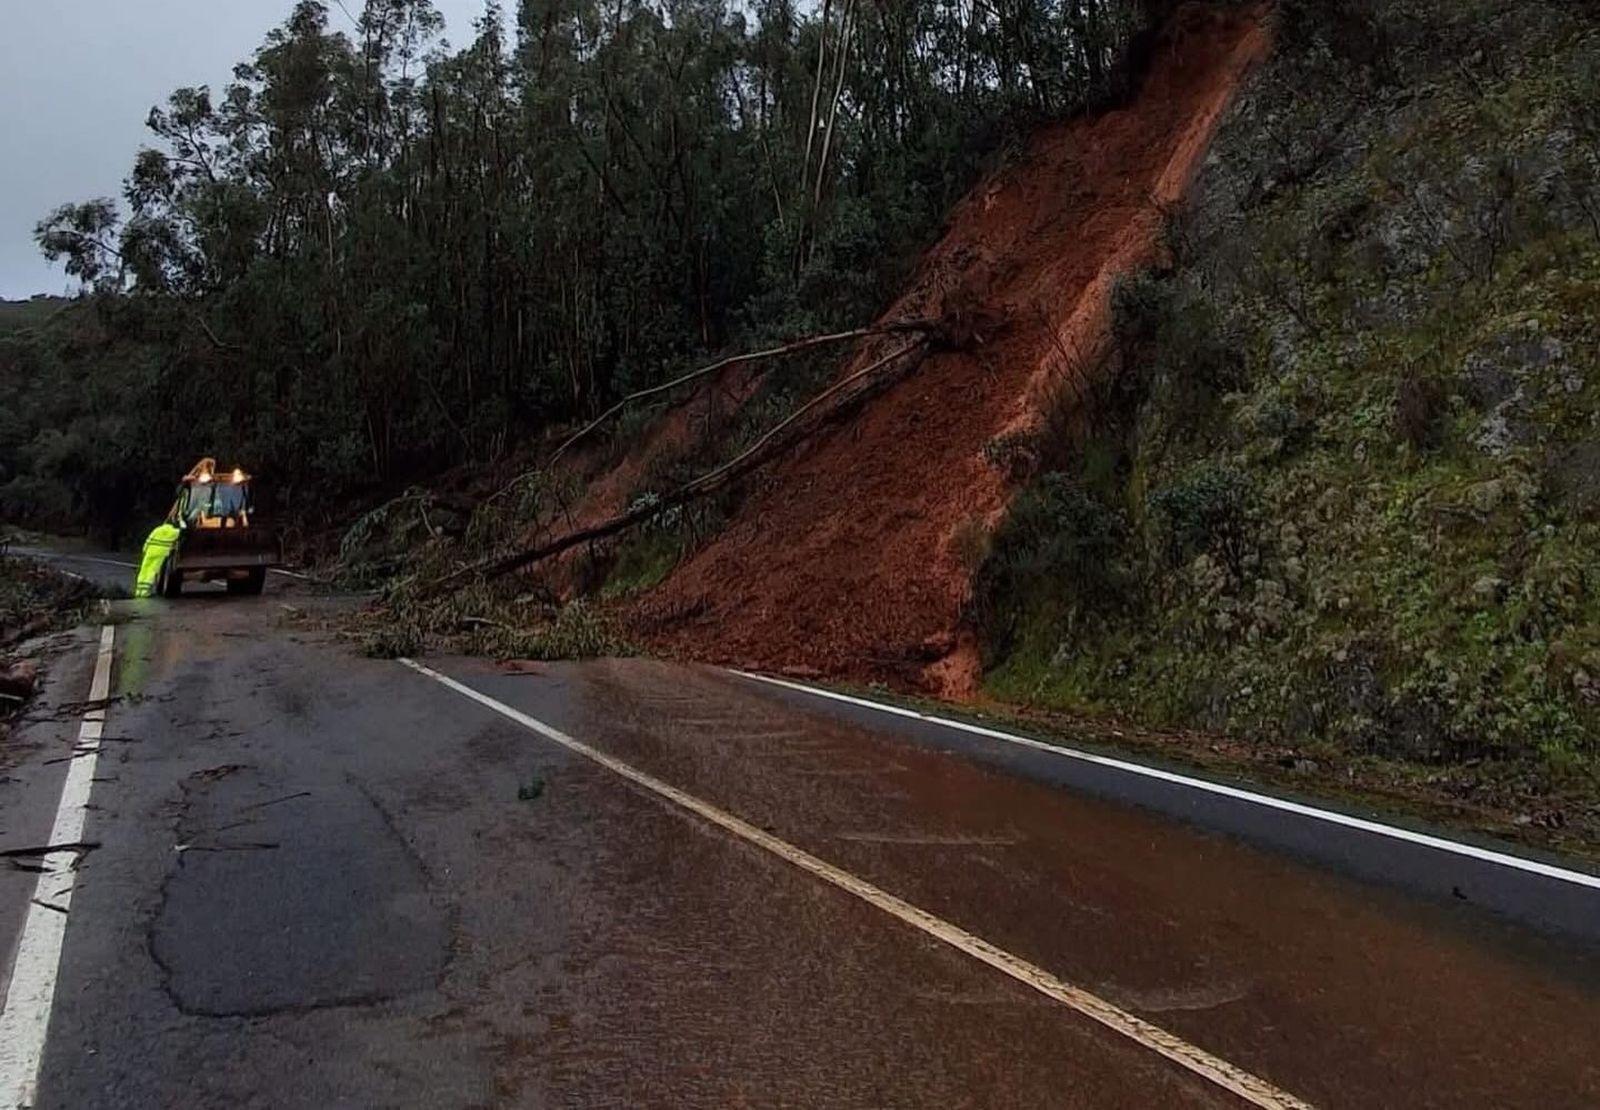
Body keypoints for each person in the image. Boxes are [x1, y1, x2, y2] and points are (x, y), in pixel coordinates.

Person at [133, 518, 183, 598]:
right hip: (160, 553)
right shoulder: (174, 532)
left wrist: (144, 550)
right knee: (152, 571)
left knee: (144, 569)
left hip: (150, 551)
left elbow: (148, 540)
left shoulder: (157, 529)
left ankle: (138, 591)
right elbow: (183, 531)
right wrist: (181, 522)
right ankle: (145, 592)